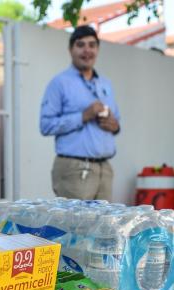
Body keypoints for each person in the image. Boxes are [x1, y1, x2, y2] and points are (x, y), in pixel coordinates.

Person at [40, 25, 120, 201]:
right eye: (80, 45)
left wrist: (114, 126)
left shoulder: (105, 84)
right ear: (70, 49)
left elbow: (116, 122)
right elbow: (45, 125)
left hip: (104, 169)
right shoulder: (60, 83)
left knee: (103, 227)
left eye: (92, 45)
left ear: (97, 49)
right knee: (77, 228)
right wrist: (83, 116)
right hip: (75, 168)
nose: (87, 50)